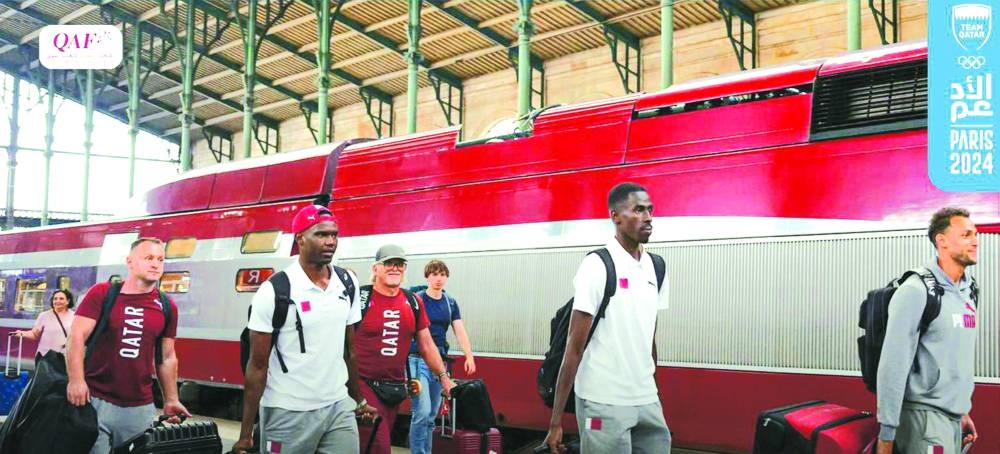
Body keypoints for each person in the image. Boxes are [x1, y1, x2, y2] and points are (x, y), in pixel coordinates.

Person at [232, 205, 377, 454]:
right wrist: (246, 435)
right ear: (300, 238)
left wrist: (358, 400)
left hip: (337, 407)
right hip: (287, 411)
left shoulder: (347, 283)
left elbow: (349, 351)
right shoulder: (275, 291)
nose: (330, 241)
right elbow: (257, 365)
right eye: (321, 235)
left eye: (334, 235)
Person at [544, 182, 671, 454]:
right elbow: (573, 347)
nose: (648, 217)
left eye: (650, 210)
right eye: (638, 210)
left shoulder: (656, 267)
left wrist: (654, 391)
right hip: (602, 400)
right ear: (615, 216)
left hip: (647, 401)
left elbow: (650, 339)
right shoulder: (598, 265)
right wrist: (555, 422)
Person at [65, 237, 190, 454]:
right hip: (95, 399)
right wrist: (76, 381)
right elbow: (76, 337)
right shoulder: (103, 293)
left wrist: (171, 399)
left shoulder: (167, 306)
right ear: (130, 262)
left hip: (139, 407)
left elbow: (167, 357)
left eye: (160, 259)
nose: (155, 264)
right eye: (148, 258)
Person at [876, 207, 980, 454]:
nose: (976, 241)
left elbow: (953, 356)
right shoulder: (916, 290)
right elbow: (893, 364)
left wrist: (961, 410)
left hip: (952, 420)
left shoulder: (969, 290)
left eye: (976, 234)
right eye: (966, 235)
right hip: (923, 421)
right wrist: (886, 435)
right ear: (941, 241)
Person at [354, 244, 455, 454]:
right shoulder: (360, 299)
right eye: (388, 263)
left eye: (399, 264)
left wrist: (444, 378)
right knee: (380, 448)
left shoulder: (413, 301)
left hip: (394, 390)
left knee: (371, 447)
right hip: (364, 387)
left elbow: (427, 344)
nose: (394, 268)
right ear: (375, 269)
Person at [407, 260, 477, 454]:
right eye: (434, 274)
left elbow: (459, 329)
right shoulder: (417, 299)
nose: (439, 279)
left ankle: (425, 451)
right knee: (420, 412)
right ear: (427, 277)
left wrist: (468, 356)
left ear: (447, 277)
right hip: (416, 359)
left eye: (442, 275)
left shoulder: (450, 302)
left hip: (440, 363)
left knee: (431, 415)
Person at [10, 289, 76, 356]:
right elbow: (34, 334)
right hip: (46, 356)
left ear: (68, 301)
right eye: (55, 299)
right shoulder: (44, 315)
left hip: (66, 356)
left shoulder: (74, 316)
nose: (57, 301)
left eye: (61, 299)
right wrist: (20, 333)